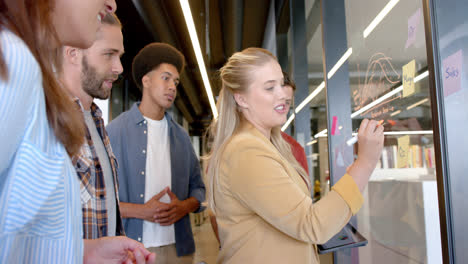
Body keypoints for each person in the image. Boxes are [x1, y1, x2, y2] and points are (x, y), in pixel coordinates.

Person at [0, 0, 155, 263]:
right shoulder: (13, 58)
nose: (112, 3)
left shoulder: (88, 116)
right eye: (109, 54)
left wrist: (84, 251)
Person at [206, 47, 384, 263]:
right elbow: (313, 225)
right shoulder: (246, 151)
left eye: (281, 84)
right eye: (269, 88)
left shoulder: (268, 145)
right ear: (241, 99)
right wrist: (365, 162)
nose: (282, 94)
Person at [107, 42, 206, 263]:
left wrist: (185, 206)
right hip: (132, 250)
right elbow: (99, 200)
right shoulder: (114, 133)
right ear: (146, 80)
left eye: (176, 81)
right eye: (166, 78)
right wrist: (141, 211)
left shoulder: (181, 137)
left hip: (178, 250)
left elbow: (199, 189)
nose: (173, 86)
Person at [58, 12, 125, 239]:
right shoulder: (48, 121)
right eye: (109, 55)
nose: (119, 68)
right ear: (73, 54)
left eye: (120, 56)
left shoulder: (95, 119)